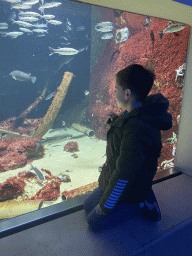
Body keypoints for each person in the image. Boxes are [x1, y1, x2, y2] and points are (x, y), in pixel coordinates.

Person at [83, 64, 172, 231]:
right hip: (128, 177)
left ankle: (141, 204)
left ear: (127, 94)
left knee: (94, 222)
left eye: (116, 88)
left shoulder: (135, 128)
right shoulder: (134, 113)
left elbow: (124, 174)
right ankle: (142, 195)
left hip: (130, 184)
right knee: (87, 205)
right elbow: (128, 133)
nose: (113, 92)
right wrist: (116, 121)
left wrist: (105, 207)